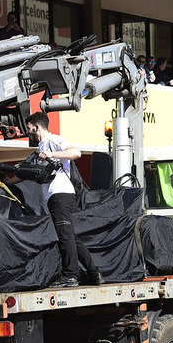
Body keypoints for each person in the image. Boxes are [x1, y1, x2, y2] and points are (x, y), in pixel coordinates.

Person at [6, 111, 104, 288]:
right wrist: (5, 182)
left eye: (29, 129)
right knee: (70, 236)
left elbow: (76, 152)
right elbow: (27, 174)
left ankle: (71, 275)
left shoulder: (53, 141)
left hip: (60, 194)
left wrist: (52, 155)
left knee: (64, 236)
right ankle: (94, 272)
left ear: (37, 127)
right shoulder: (41, 149)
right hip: (55, 196)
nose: (28, 132)